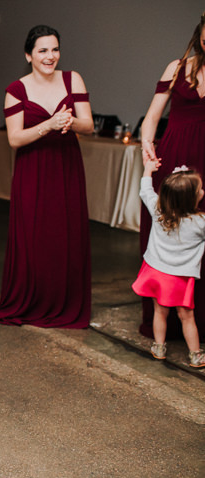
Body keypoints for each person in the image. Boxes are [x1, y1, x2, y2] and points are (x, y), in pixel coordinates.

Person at [0, 25, 94, 329]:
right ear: (29, 55)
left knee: (66, 233)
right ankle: (33, 300)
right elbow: (14, 139)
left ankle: (66, 301)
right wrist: (49, 124)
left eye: (55, 49)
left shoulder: (72, 79)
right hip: (33, 169)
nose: (50, 56)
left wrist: (72, 122)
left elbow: (88, 125)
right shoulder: (16, 90)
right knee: (34, 235)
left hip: (66, 166)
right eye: (43, 50)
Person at [138, 12, 205, 339]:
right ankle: (164, 318)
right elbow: (153, 116)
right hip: (176, 157)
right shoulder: (178, 68)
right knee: (167, 227)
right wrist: (146, 144)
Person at [132, 162, 205, 368]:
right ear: (191, 198)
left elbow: (145, 190)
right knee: (187, 317)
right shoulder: (200, 223)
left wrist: (148, 169)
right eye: (199, 189)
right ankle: (195, 355)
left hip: (156, 273)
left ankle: (159, 347)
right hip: (180, 278)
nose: (203, 191)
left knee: (159, 312)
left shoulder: (158, 211)